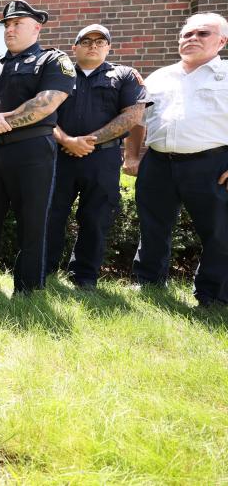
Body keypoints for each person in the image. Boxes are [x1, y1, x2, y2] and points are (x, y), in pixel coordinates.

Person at [0, 0, 76, 296]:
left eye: (18, 24)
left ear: (37, 27)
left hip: (30, 149)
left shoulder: (53, 61)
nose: (10, 29)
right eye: (7, 24)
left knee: (32, 219)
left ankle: (27, 288)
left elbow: (48, 101)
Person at [128, 12, 228, 308]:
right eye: (187, 34)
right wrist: (132, 156)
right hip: (158, 163)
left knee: (219, 231)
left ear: (221, 41)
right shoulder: (160, 76)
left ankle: (212, 296)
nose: (192, 39)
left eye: (202, 34)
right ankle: (148, 282)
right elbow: (138, 120)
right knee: (153, 226)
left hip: (212, 164)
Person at [45, 24, 146, 289]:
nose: (93, 45)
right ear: (74, 47)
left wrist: (87, 142)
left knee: (96, 218)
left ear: (109, 47)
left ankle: (85, 277)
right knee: (50, 215)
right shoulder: (58, 73)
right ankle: (43, 271)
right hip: (58, 157)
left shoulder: (124, 75)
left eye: (100, 41)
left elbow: (133, 116)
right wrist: (67, 140)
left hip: (102, 160)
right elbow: (44, 110)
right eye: (86, 40)